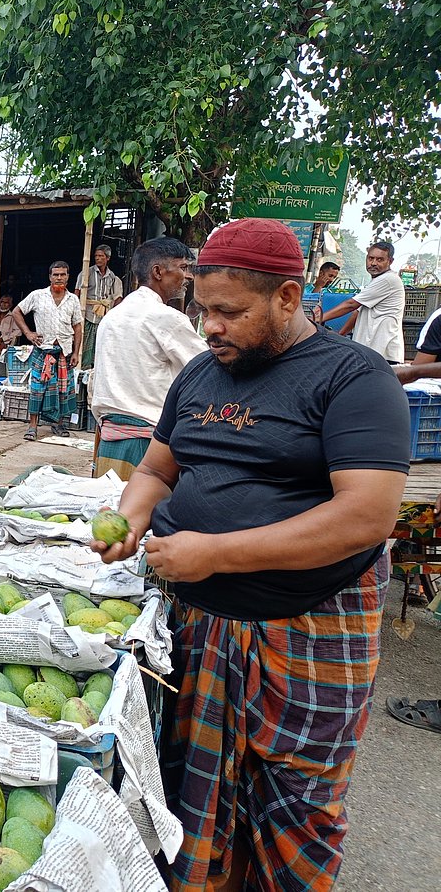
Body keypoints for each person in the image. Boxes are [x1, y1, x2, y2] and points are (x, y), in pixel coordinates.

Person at [94, 218, 409, 891]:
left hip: (307, 632)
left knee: (296, 806)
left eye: (229, 312)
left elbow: (366, 513)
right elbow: (154, 471)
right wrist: (125, 521)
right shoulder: (201, 376)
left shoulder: (356, 377)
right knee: (194, 804)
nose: (210, 326)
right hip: (201, 629)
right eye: (203, 309)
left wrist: (218, 554)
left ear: (288, 299)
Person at [91, 238, 206, 479]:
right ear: (158, 272)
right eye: (183, 268)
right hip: (148, 442)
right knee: (146, 513)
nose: (188, 276)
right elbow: (206, 369)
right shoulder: (166, 318)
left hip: (109, 438)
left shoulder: (113, 317)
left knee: (112, 510)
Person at [12, 261, 83, 440]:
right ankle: (32, 427)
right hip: (43, 351)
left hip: (64, 352)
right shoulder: (37, 295)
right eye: (55, 275)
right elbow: (16, 312)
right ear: (50, 277)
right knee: (37, 389)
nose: (59, 278)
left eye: (63, 275)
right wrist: (28, 333)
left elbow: (78, 327)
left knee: (63, 390)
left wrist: (75, 352)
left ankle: (58, 425)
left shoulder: (73, 299)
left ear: (68, 277)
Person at [320, 241, 405, 362]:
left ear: (390, 261)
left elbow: (351, 305)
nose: (374, 263)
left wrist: (319, 318)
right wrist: (340, 334)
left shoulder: (388, 279)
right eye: (371, 258)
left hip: (382, 352)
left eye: (380, 260)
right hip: (369, 350)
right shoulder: (376, 281)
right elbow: (357, 312)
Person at [74, 243, 124, 369]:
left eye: (101, 256)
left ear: (107, 258)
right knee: (85, 345)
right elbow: (77, 293)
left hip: (104, 315)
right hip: (88, 313)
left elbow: (117, 297)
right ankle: (84, 368)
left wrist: (113, 313)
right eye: (96, 256)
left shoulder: (112, 277)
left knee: (101, 343)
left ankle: (98, 368)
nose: (98, 258)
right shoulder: (86, 273)